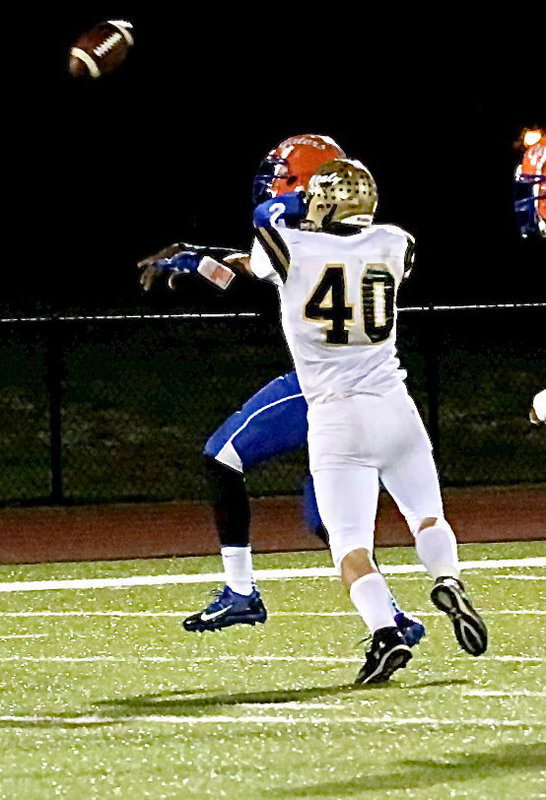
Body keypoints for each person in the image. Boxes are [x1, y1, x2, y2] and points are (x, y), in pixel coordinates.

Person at [138, 135, 425, 648]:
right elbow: (248, 269)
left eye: (286, 176)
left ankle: (241, 590)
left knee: (222, 455)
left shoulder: (299, 237)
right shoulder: (368, 240)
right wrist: (197, 258)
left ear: (316, 184)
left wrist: (198, 259)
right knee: (331, 525)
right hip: (371, 394)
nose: (275, 184)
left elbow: (253, 268)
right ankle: (394, 620)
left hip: (326, 389)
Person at [243, 157, 487, 683]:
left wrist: (292, 205)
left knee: (350, 544)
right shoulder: (395, 242)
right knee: (427, 515)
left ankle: (385, 632)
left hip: (336, 416)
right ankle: (447, 577)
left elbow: (264, 222)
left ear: (324, 201)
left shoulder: (294, 248)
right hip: (395, 404)